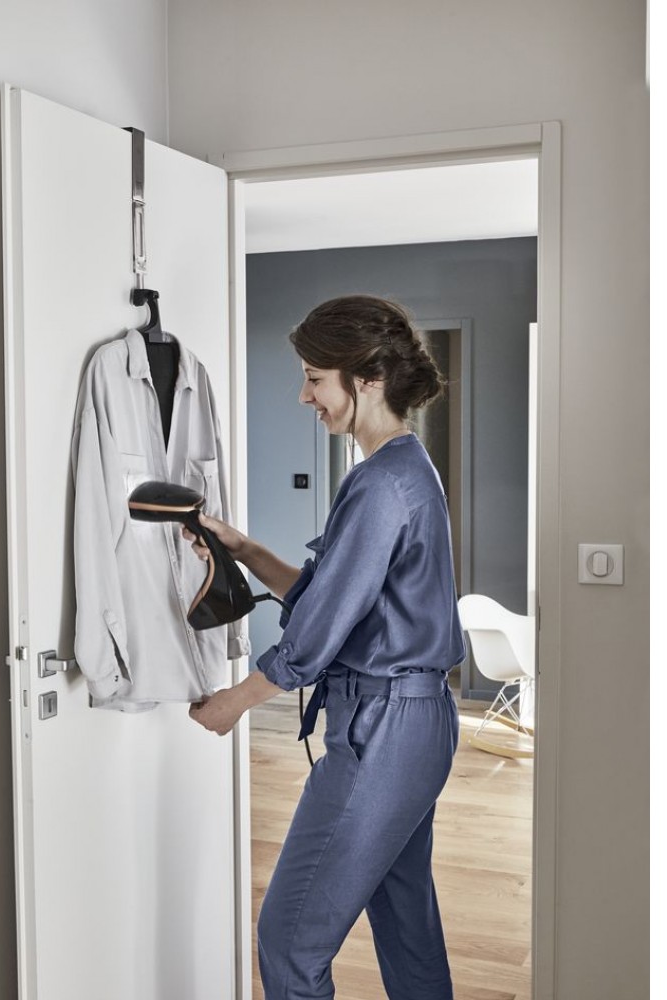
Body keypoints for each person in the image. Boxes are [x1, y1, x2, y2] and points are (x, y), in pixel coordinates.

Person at [183, 294, 466, 1000]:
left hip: (383, 728)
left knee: (289, 939)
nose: (304, 395)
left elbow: (313, 637)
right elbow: (334, 597)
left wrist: (234, 703)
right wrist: (244, 549)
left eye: (315, 377)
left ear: (367, 378)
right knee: (406, 926)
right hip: (414, 720)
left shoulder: (380, 485)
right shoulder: (404, 468)